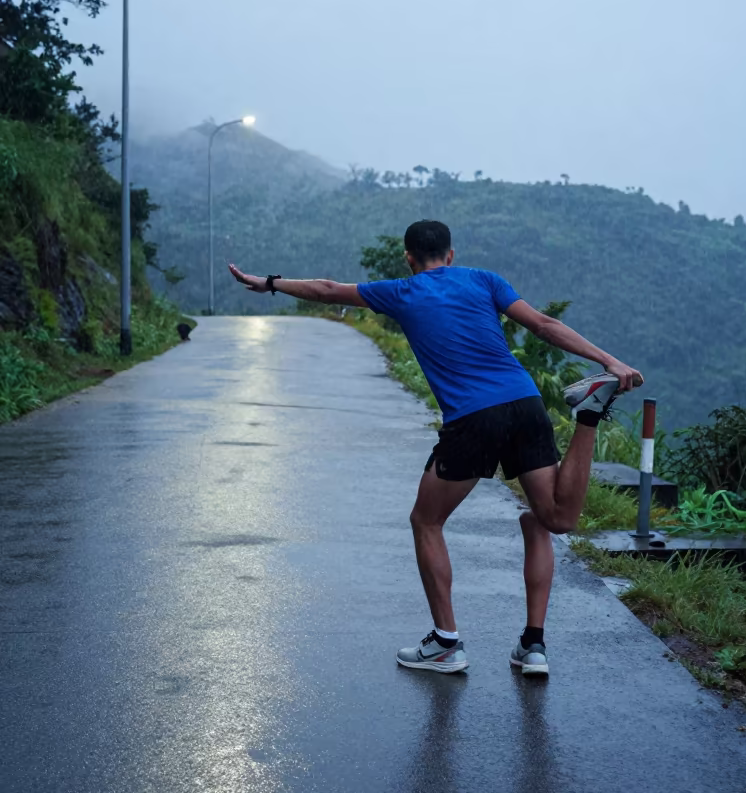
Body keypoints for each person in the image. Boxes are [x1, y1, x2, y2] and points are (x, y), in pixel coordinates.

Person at [228, 220, 642, 677]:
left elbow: (326, 290)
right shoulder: (484, 279)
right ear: (450, 254)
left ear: (409, 257)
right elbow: (544, 325)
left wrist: (266, 283)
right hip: (524, 403)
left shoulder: (401, 291)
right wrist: (608, 360)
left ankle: (446, 642)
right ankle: (534, 644)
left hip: (473, 417)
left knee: (426, 520)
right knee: (553, 519)